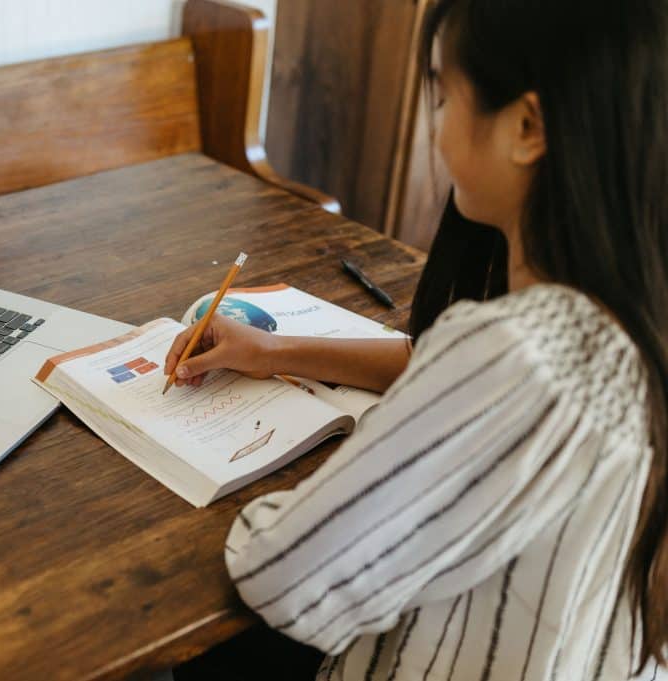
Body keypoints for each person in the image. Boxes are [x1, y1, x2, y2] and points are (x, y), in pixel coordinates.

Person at [165, 0, 667, 678]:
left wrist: (285, 503)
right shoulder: (626, 324)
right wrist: (271, 351)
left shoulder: (519, 354)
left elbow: (278, 572)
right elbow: (443, 371)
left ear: (526, 126)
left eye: (441, 91)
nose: (436, 124)